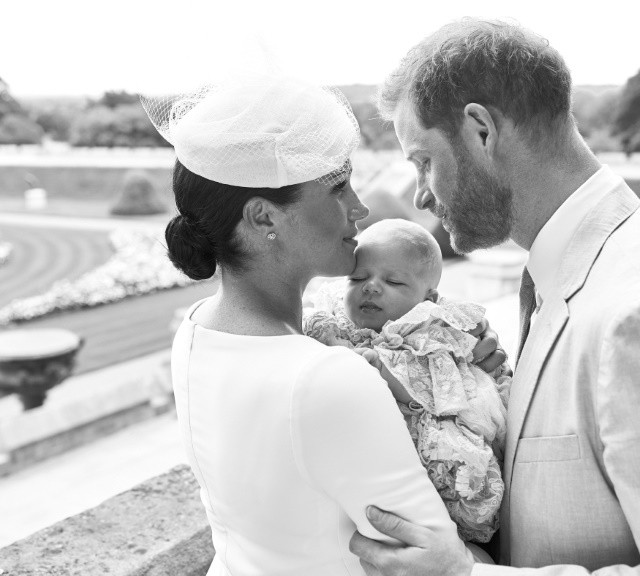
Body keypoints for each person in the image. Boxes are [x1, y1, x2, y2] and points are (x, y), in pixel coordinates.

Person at [348, 18, 640, 576]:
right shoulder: (567, 272)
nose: (421, 194)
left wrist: (466, 575)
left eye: (424, 161)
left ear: (480, 131)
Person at [142, 74, 503, 576]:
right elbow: (438, 561)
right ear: (265, 216)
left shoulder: (198, 330)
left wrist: (451, 355)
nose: (359, 208)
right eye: (338, 188)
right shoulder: (330, 376)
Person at [304, 218, 511, 543]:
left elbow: (422, 382)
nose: (371, 286)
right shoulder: (335, 318)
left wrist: (372, 364)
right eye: (358, 277)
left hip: (432, 440)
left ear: (428, 297)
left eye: (394, 282)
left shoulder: (429, 330)